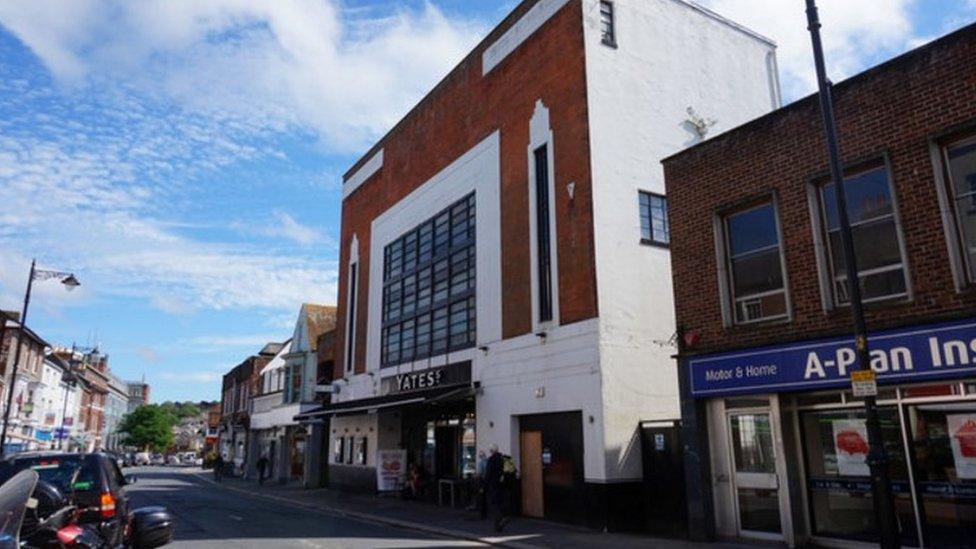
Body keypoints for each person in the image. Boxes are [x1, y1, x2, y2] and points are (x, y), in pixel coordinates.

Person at [484, 445, 509, 532]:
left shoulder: (491, 460)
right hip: (502, 485)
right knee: (499, 503)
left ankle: (500, 519)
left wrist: (484, 486)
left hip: (493, 485)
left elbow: (488, 473)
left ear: (492, 451)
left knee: (493, 504)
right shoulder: (502, 459)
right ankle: (498, 526)